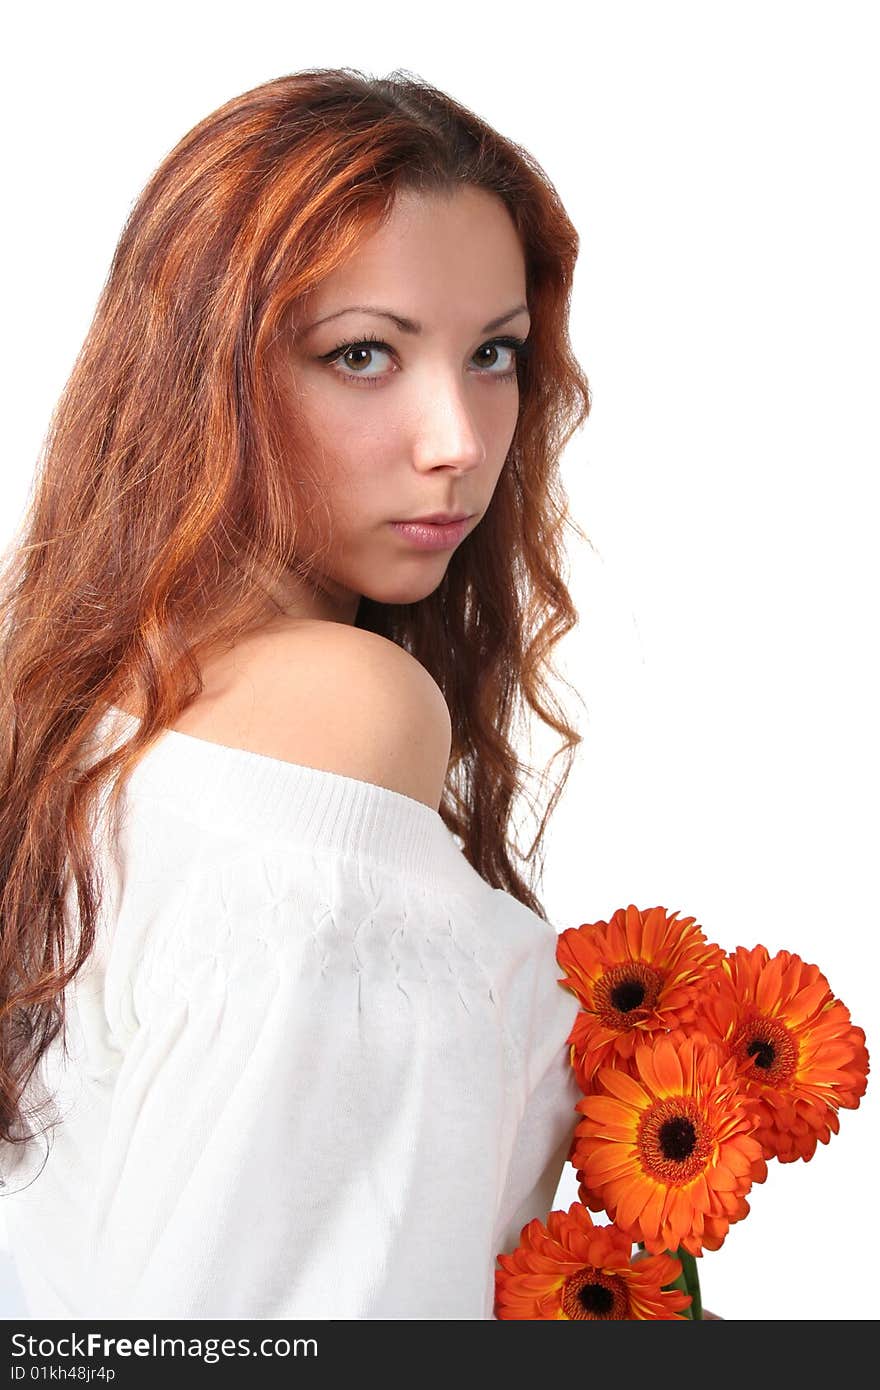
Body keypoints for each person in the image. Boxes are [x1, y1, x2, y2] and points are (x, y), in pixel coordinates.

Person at [0, 67, 593, 1319]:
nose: (458, 438)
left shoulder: (85, 705)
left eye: (494, 353)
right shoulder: (341, 709)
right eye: (362, 354)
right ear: (197, 373)